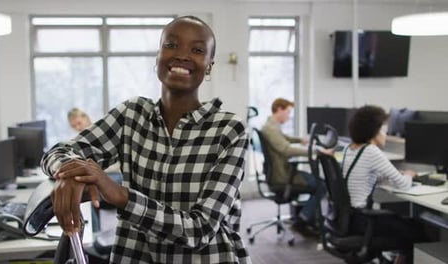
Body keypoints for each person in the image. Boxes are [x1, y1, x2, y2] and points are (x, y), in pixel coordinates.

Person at [41, 16, 251, 263]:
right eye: (171, 45)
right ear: (158, 56)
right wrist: (72, 174)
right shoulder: (132, 114)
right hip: (135, 255)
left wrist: (120, 195)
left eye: (196, 50)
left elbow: (200, 229)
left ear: (209, 65)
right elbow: (57, 152)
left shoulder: (229, 129)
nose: (182, 55)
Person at [343, 105, 427, 263]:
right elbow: (403, 185)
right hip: (363, 221)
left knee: (406, 225)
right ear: (374, 131)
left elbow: (363, 172)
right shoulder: (372, 151)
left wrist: (390, 175)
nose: (386, 134)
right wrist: (408, 175)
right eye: (384, 129)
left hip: (349, 219)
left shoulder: (351, 148)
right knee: (418, 230)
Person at [261, 98, 331, 236]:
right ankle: (303, 221)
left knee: (320, 183)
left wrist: (300, 140)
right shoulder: (271, 128)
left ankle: (308, 219)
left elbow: (285, 139)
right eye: (288, 112)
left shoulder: (271, 126)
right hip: (282, 175)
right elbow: (286, 150)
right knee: (321, 185)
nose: (289, 115)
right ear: (279, 109)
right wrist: (317, 151)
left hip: (282, 171)